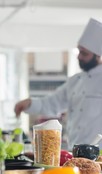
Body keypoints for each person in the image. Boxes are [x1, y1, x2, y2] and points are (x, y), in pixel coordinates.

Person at [14, 18, 102, 150]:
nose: (79, 57)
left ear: (98, 56)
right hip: (75, 150)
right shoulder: (75, 81)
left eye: (84, 53)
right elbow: (52, 103)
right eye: (79, 51)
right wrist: (29, 103)